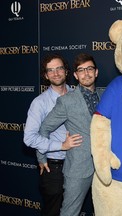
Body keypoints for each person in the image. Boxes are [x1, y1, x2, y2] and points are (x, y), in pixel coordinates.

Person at [39, 53, 101, 216]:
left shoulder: (106, 96)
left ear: (96, 72)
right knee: (69, 212)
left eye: (89, 69)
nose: (86, 73)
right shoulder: (67, 101)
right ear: (75, 75)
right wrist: (41, 157)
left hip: (104, 166)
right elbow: (44, 128)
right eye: (81, 70)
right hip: (78, 167)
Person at [24, 53, 82, 216]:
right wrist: (61, 146)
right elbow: (29, 137)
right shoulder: (40, 103)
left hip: (78, 165)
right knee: (53, 212)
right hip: (55, 168)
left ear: (66, 71)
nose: (56, 73)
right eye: (51, 70)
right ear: (46, 75)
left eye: (59, 68)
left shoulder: (78, 95)